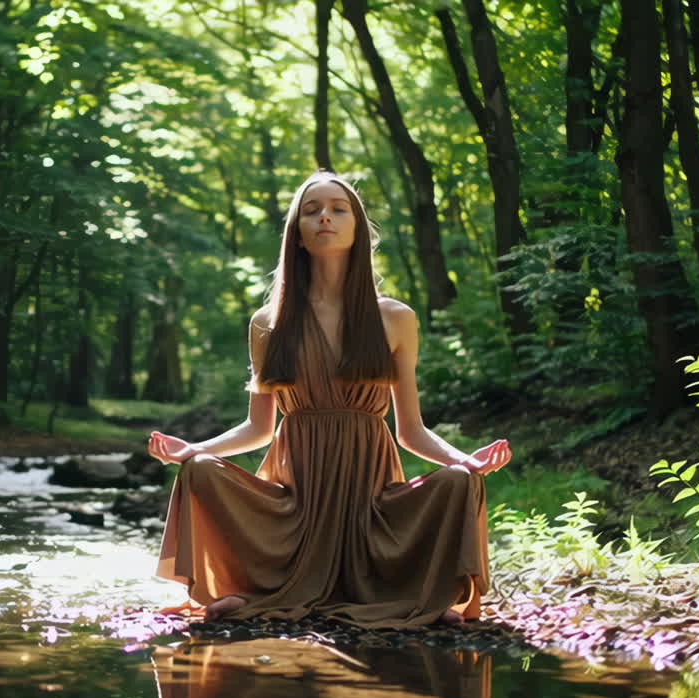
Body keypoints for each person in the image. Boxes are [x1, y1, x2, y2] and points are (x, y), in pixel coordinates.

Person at [148, 170, 511, 627]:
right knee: (198, 471)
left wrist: (466, 460)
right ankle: (254, 588)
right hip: (294, 506)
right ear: (296, 234)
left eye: (339, 209)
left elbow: (411, 432)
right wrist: (194, 450)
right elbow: (259, 428)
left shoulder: (396, 319)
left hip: (370, 505)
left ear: (358, 230)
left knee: (460, 481)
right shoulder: (268, 321)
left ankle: (417, 591)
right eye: (312, 209)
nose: (325, 217)